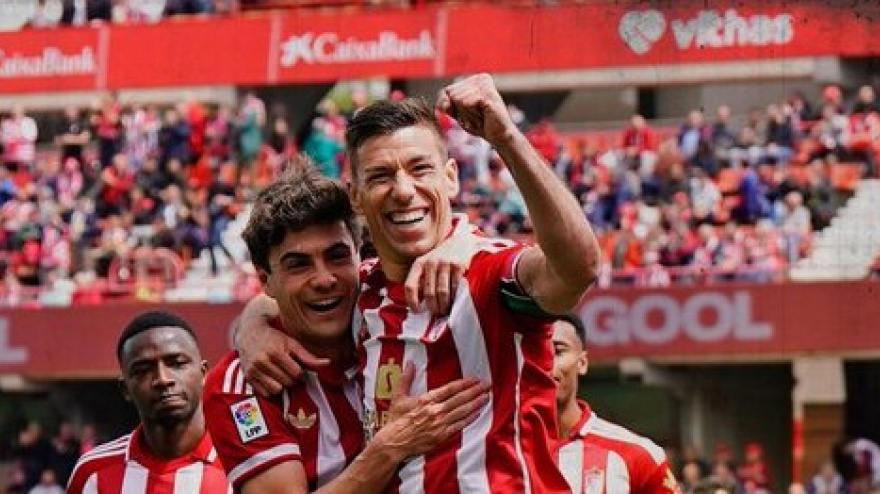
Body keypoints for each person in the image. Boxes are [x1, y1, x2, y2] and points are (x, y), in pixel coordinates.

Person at [236, 74, 601, 491]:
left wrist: (506, 138)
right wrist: (253, 327)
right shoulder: (362, 293)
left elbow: (579, 266)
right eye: (380, 177)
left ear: (451, 178)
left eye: (420, 169)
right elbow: (282, 297)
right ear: (355, 197)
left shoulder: (490, 271)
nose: (404, 191)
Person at [202, 164, 489, 492]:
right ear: (265, 280)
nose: (324, 279)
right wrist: (390, 447)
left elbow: (465, 240)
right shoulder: (240, 386)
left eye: (337, 256)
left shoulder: (385, 296)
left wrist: (462, 241)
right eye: (298, 265)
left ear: (360, 258)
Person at [67, 311, 230, 493]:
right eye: (143, 370)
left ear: (204, 373)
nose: (162, 379)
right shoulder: (93, 473)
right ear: (125, 389)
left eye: (177, 363)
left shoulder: (244, 462)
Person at [553, 314, 677, 493]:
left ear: (582, 362)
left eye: (558, 351)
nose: (545, 362)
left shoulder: (636, 454)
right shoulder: (500, 449)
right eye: (533, 351)